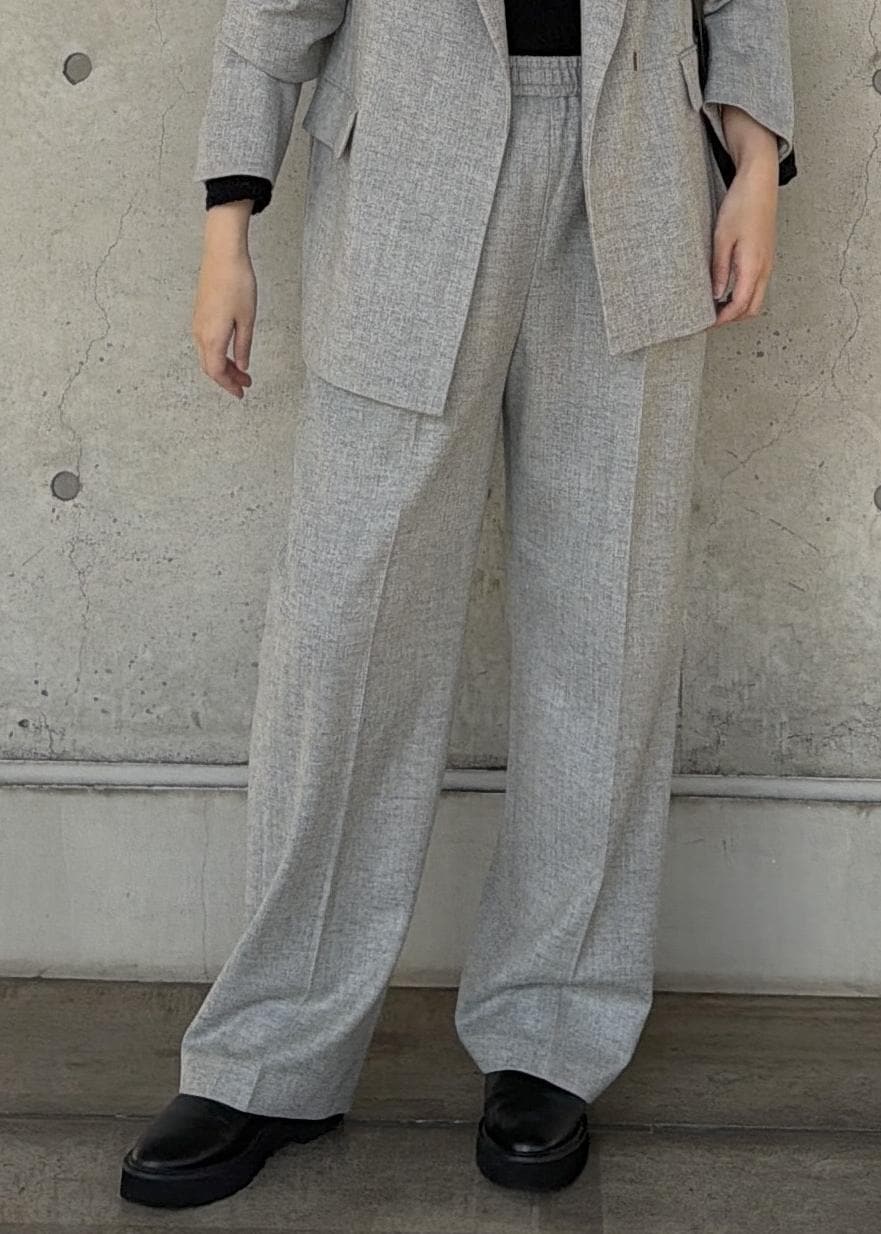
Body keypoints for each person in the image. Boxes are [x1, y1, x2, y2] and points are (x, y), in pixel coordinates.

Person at [120, 0, 795, 1209]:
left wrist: (751, 158)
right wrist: (228, 226)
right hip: (405, 179)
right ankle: (271, 1049)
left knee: (604, 633)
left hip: (636, 182)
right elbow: (275, 10)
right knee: (344, 638)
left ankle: (551, 1031)